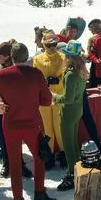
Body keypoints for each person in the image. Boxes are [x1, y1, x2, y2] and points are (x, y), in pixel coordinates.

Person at [0, 42, 58, 200]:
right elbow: (46, 100)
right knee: (39, 158)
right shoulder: (36, 74)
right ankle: (39, 198)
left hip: (10, 125)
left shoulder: (3, 74)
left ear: (12, 58)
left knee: (14, 165)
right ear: (26, 56)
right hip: (33, 124)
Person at [0, 41, 33, 178]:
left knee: (17, 139)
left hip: (16, 111)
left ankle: (20, 164)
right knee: (3, 139)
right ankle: (7, 163)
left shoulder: (19, 69)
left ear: (8, 56)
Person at [52, 40, 88, 191]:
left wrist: (54, 97)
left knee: (68, 144)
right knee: (73, 141)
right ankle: (77, 168)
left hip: (69, 111)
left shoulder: (71, 75)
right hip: (78, 110)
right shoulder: (81, 71)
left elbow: (68, 98)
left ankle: (71, 174)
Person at [32, 30, 66, 170]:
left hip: (58, 96)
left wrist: (56, 80)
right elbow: (35, 76)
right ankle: (49, 154)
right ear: (43, 45)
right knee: (47, 127)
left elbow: (64, 75)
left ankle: (64, 154)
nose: (52, 47)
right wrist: (43, 82)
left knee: (59, 126)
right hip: (44, 98)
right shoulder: (37, 59)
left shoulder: (63, 57)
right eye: (48, 45)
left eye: (54, 44)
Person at [86, 18, 101, 86]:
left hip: (95, 67)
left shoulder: (91, 39)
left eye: (90, 29)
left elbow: (89, 55)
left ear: (92, 28)